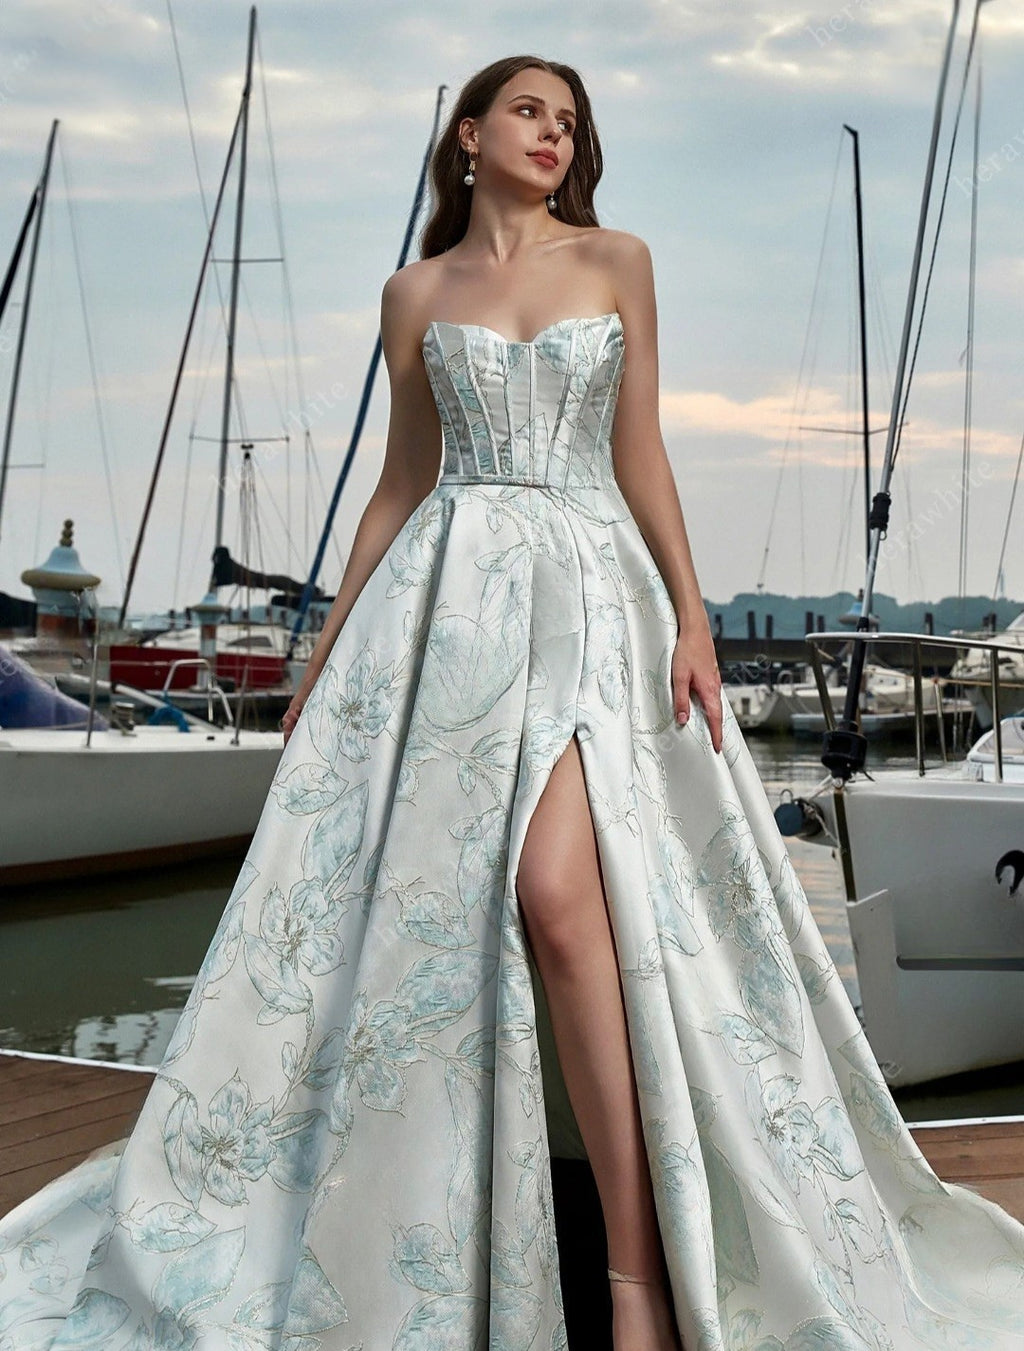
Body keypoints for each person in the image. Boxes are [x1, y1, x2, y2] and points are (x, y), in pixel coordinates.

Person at [3, 51, 1024, 1351]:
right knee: (444, 916)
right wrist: (326, 643)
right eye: (530, 111)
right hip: (455, 609)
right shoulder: (415, 292)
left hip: (595, 597)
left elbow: (639, 444)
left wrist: (696, 612)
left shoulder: (616, 261)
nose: (555, 132)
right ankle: (440, 1221)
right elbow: (400, 478)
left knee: (561, 892)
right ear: (470, 137)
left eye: (571, 119)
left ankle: (640, 1275)